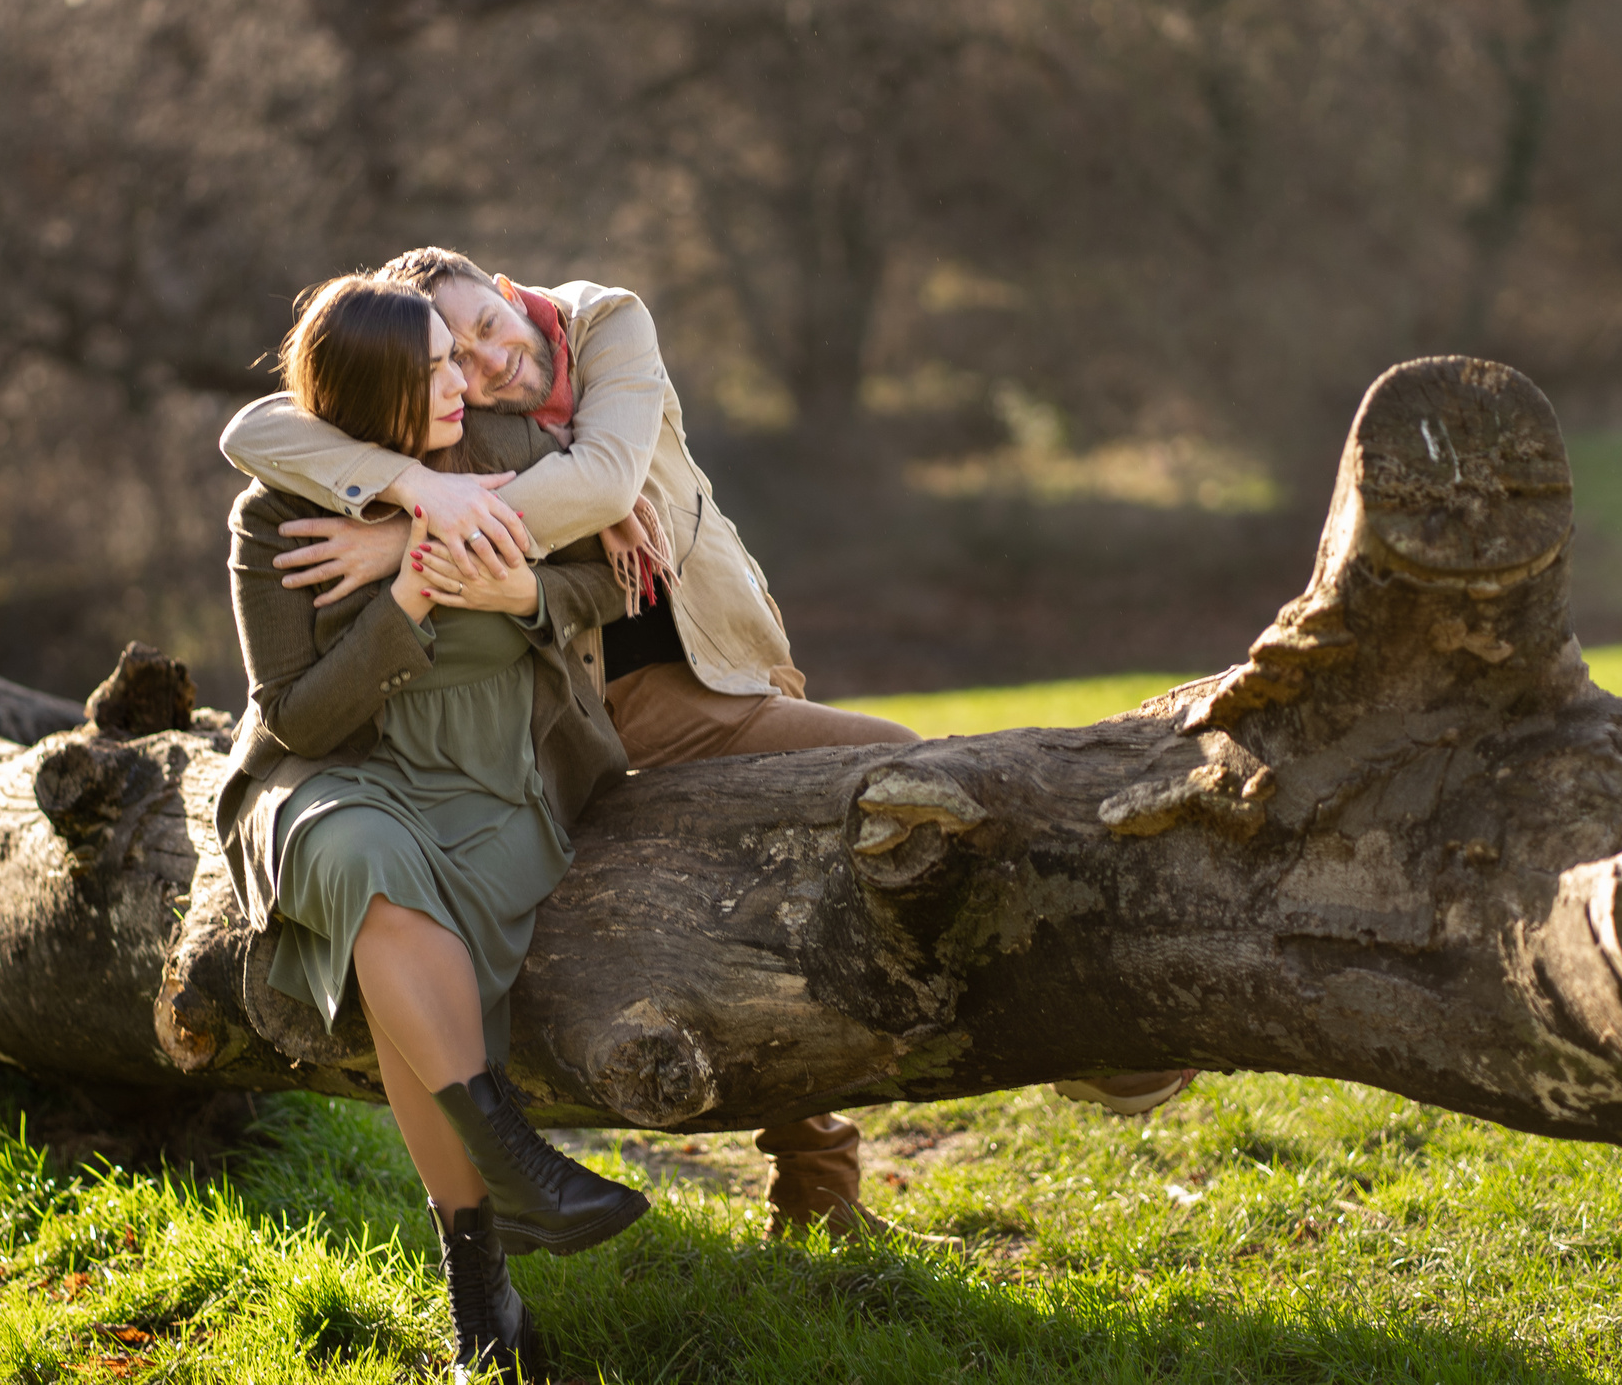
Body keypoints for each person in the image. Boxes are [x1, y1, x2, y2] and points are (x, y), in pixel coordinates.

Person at [223, 247, 1202, 1239]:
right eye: (452, 365)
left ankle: (1077, 1032)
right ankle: (823, 1186)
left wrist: (409, 535)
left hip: (705, 678)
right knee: (789, 885)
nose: (482, 369)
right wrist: (420, 497)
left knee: (902, 783)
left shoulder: (600, 328)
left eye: (483, 333)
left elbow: (604, 485)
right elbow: (257, 426)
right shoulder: (458, 427)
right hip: (570, 720)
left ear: (507, 291)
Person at [217, 275, 647, 1381]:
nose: (465, 377)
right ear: (368, 401)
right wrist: (408, 594)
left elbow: (611, 578)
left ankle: (482, 1297)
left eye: (458, 359)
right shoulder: (273, 516)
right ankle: (513, 1167)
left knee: (393, 927)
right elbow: (301, 713)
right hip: (337, 773)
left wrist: (516, 596)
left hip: (495, 777)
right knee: (364, 865)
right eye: (431, 372)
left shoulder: (499, 444)